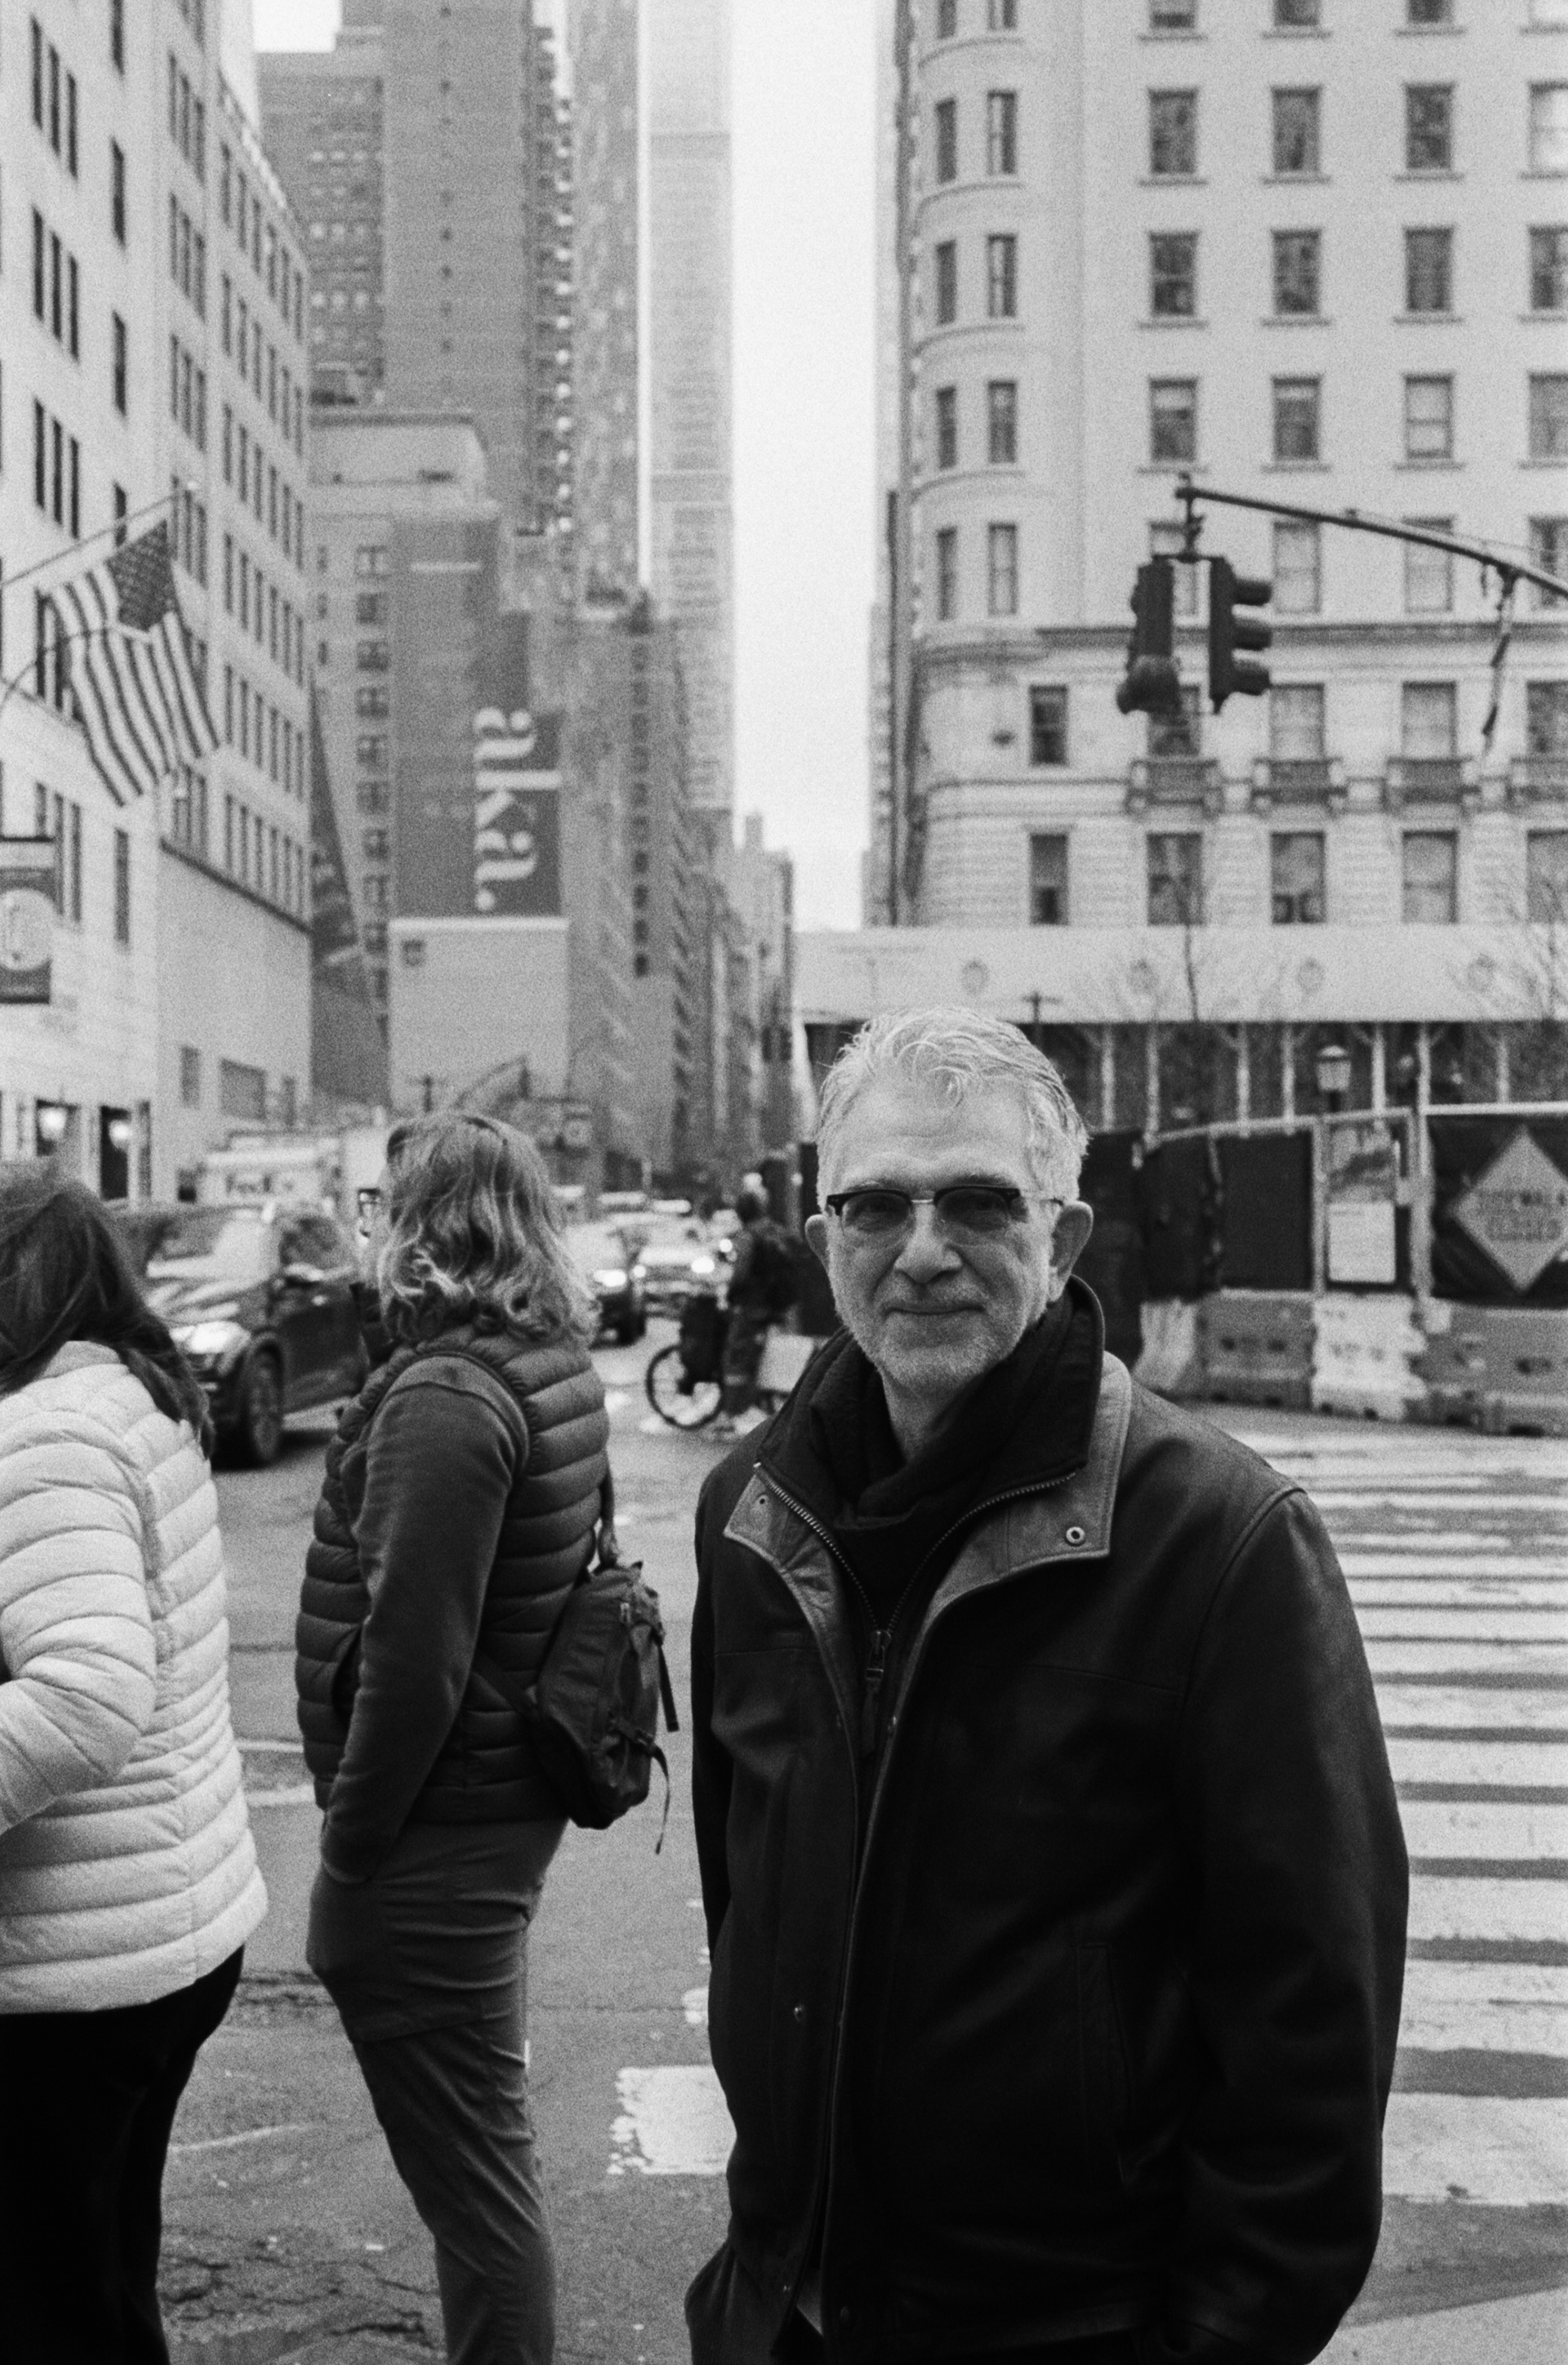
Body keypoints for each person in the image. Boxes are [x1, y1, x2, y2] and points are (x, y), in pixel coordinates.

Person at [687, 1008, 1408, 2365]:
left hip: (1078, 2326)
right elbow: (748, 1905)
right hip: (787, 2310)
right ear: (825, 1234)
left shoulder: (1222, 1540)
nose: (921, 1250)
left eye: (977, 1203)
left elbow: (1312, 2028)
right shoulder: (749, 1513)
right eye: (875, 1206)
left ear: (1062, 1239)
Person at [297, 1111, 610, 2365]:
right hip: (495, 1806)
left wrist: (350, 1851)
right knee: (483, 2153)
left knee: (475, 2187)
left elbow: (416, 1662)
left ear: (428, 1224)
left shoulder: (445, 1395)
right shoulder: (540, 1358)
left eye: (384, 1206)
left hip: (435, 1831)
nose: (371, 1229)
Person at [0, 1165, 266, 2365]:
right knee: (103, 2277)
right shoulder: (132, 1396)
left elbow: (87, 1694)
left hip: (76, 1967)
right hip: (165, 1928)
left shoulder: (45, 1434)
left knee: (49, 2303)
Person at [714, 1184, 800, 1435]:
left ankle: (731, 1413)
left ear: (742, 1212)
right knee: (764, 1356)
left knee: (736, 1359)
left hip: (752, 1307)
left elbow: (740, 1274)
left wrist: (731, 1295)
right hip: (778, 1305)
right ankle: (762, 1403)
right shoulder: (775, 1230)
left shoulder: (748, 1236)